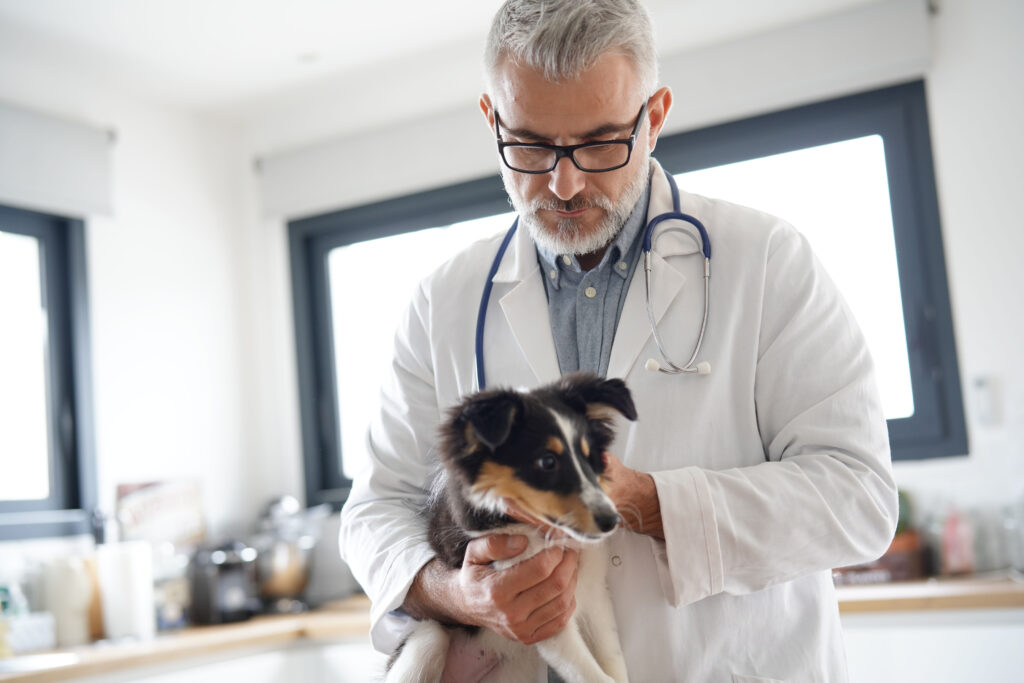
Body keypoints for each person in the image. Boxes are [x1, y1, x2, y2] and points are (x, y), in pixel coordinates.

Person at [340, 0, 898, 680]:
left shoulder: (767, 260)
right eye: (531, 146)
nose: (564, 183)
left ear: (654, 117)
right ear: (491, 118)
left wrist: (644, 501)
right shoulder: (443, 299)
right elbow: (376, 508)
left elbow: (859, 498)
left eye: (601, 142)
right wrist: (457, 591)